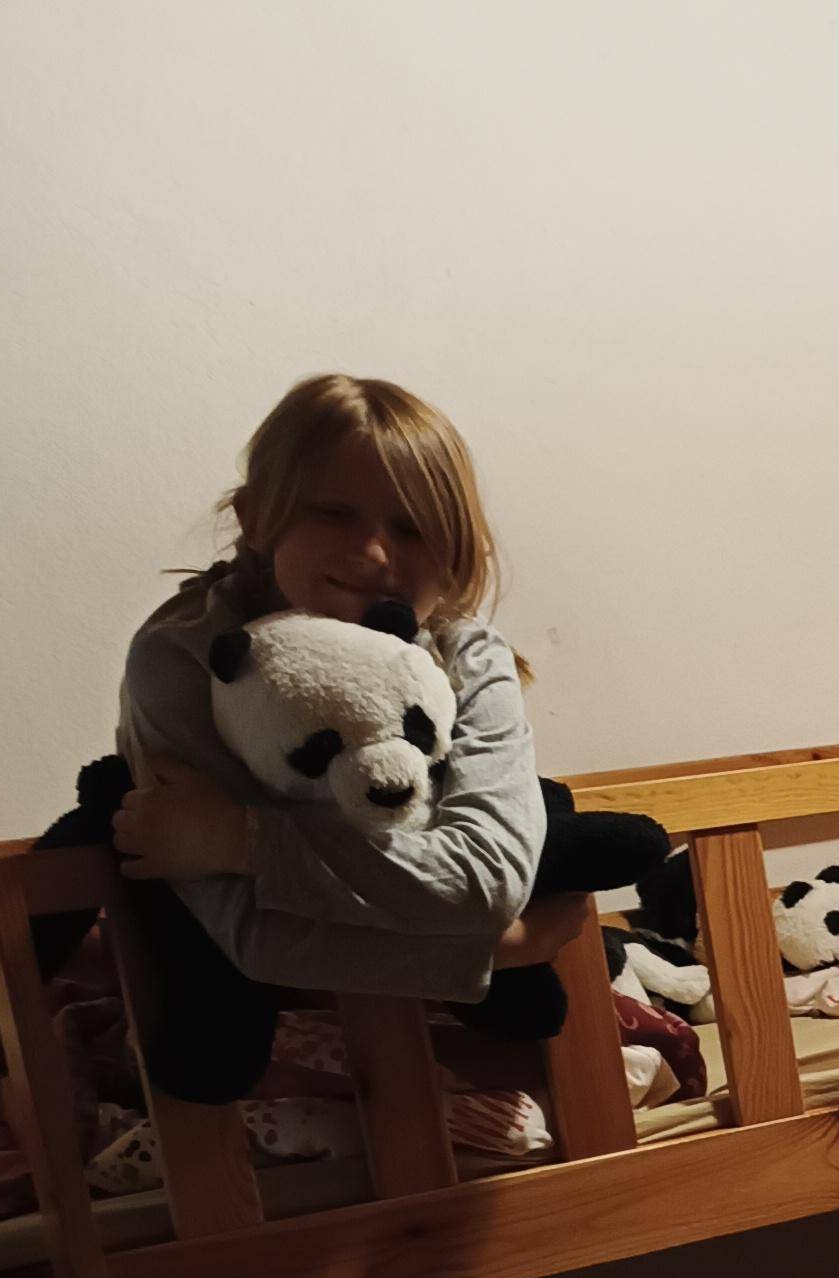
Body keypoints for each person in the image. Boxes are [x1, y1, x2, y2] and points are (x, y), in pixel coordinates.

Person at [106, 374, 568, 1012]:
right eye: (334, 513)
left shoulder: (468, 654)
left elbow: (486, 881)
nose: (375, 553)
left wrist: (244, 841)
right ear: (256, 517)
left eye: (413, 527)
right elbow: (256, 939)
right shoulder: (183, 657)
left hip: (460, 1010)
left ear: (455, 549)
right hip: (274, 1012)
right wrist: (508, 947)